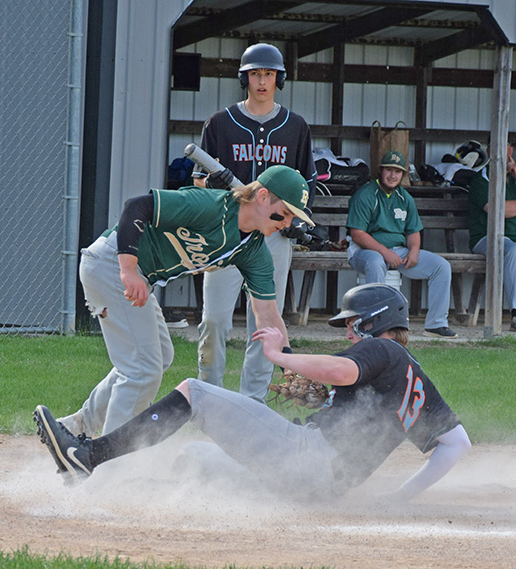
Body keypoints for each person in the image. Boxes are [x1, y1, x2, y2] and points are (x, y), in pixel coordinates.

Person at [34, 283, 471, 503]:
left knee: (195, 393)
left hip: (305, 456)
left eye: (353, 325)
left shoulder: (382, 349)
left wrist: (278, 355)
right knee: (197, 460)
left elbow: (342, 370)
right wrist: (398, 500)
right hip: (322, 488)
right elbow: (456, 444)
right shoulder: (413, 377)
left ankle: (87, 456)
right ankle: (126, 493)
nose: (349, 334)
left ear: (374, 323)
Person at [57, 166, 314, 437]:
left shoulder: (254, 250)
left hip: (137, 275)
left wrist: (290, 367)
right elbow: (137, 207)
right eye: (285, 213)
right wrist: (128, 270)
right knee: (142, 369)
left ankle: (77, 426)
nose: (288, 224)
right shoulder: (211, 206)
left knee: (159, 356)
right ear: (262, 196)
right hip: (112, 263)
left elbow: (268, 314)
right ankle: (110, 453)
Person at [192, 43, 317, 403]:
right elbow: (197, 182)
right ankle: (210, 398)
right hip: (227, 233)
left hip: (274, 236)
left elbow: (307, 183)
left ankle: (253, 403)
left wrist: (296, 221)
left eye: (269, 74)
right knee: (214, 319)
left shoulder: (295, 126)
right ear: (244, 78)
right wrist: (211, 183)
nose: (262, 81)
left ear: (279, 79)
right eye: (255, 74)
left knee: (264, 323)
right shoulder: (220, 123)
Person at [347, 150, 457, 339]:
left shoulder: (405, 198)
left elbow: (413, 231)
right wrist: (385, 253)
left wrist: (413, 251)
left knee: (441, 266)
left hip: (398, 251)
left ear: (403, 174)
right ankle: (374, 324)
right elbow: (357, 234)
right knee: (376, 262)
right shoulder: (365, 194)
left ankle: (436, 324)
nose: (392, 175)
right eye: (389, 170)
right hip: (364, 251)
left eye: (397, 171)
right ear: (380, 170)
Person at [467, 142, 516, 332]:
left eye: (507, 145)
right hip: (486, 238)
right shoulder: (482, 178)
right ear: (489, 150)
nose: (504, 150)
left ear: (511, 150)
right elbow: (498, 210)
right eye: (498, 144)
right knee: (512, 250)